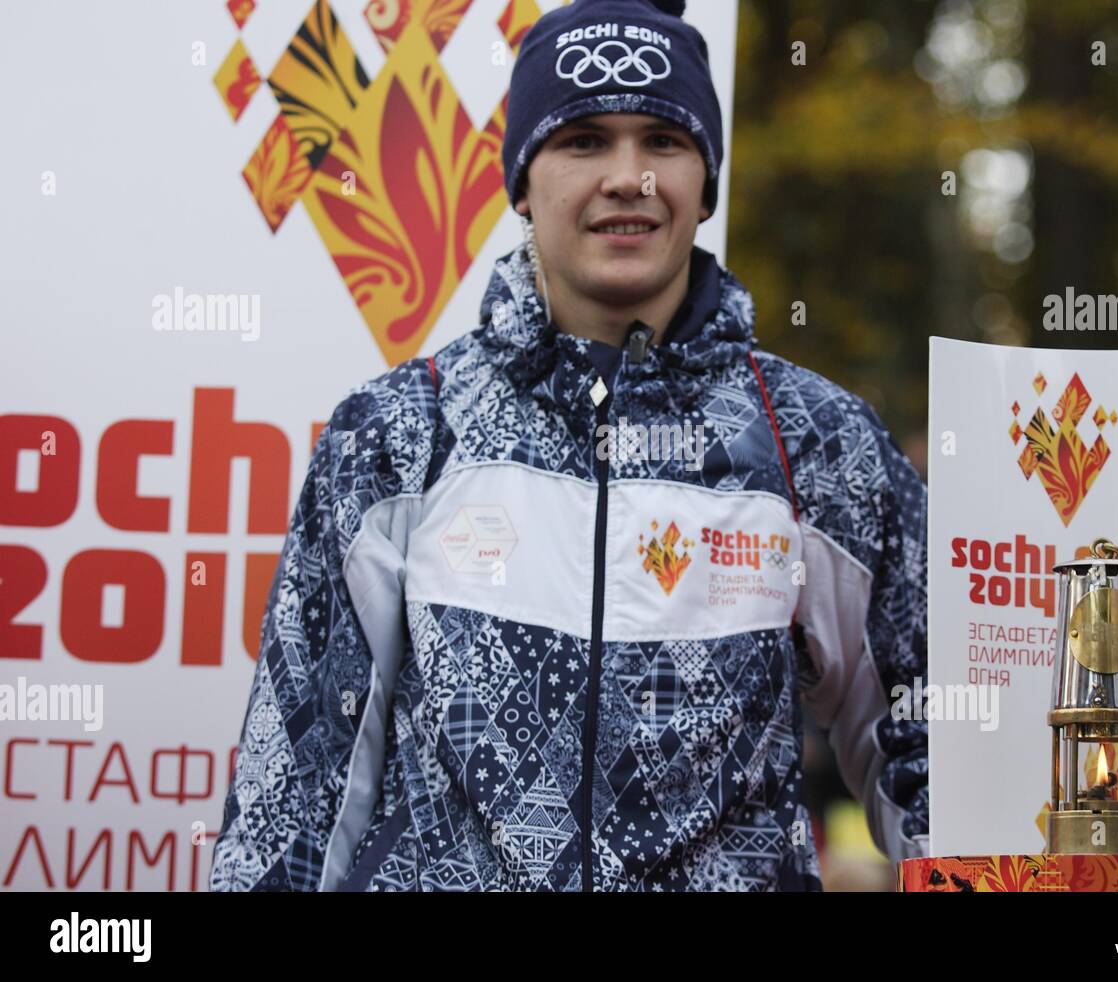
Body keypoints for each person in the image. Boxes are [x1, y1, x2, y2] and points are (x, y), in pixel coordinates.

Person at [209, 0, 929, 892]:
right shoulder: (396, 435)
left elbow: (933, 755)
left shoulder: (820, 445)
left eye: (663, 140)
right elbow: (293, 806)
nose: (628, 177)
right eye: (584, 140)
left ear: (705, 182)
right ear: (521, 181)